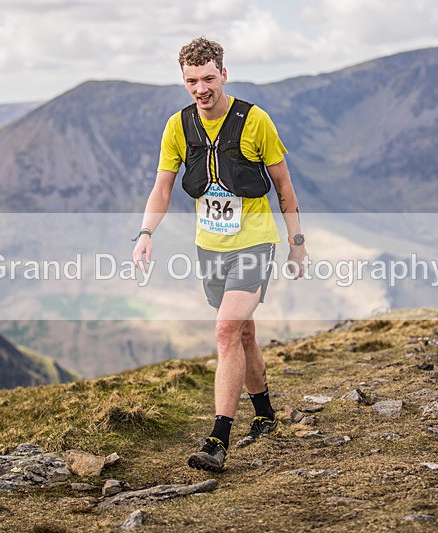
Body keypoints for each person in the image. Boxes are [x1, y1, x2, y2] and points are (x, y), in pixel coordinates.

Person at [132, 37, 308, 472]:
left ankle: (218, 439)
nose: (200, 88)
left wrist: (296, 243)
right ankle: (265, 416)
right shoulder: (178, 125)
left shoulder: (255, 121)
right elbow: (163, 186)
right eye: (191, 80)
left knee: (226, 329)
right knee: (243, 333)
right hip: (209, 246)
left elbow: (284, 186)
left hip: (254, 241)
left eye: (208, 78)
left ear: (224, 75)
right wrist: (145, 232)